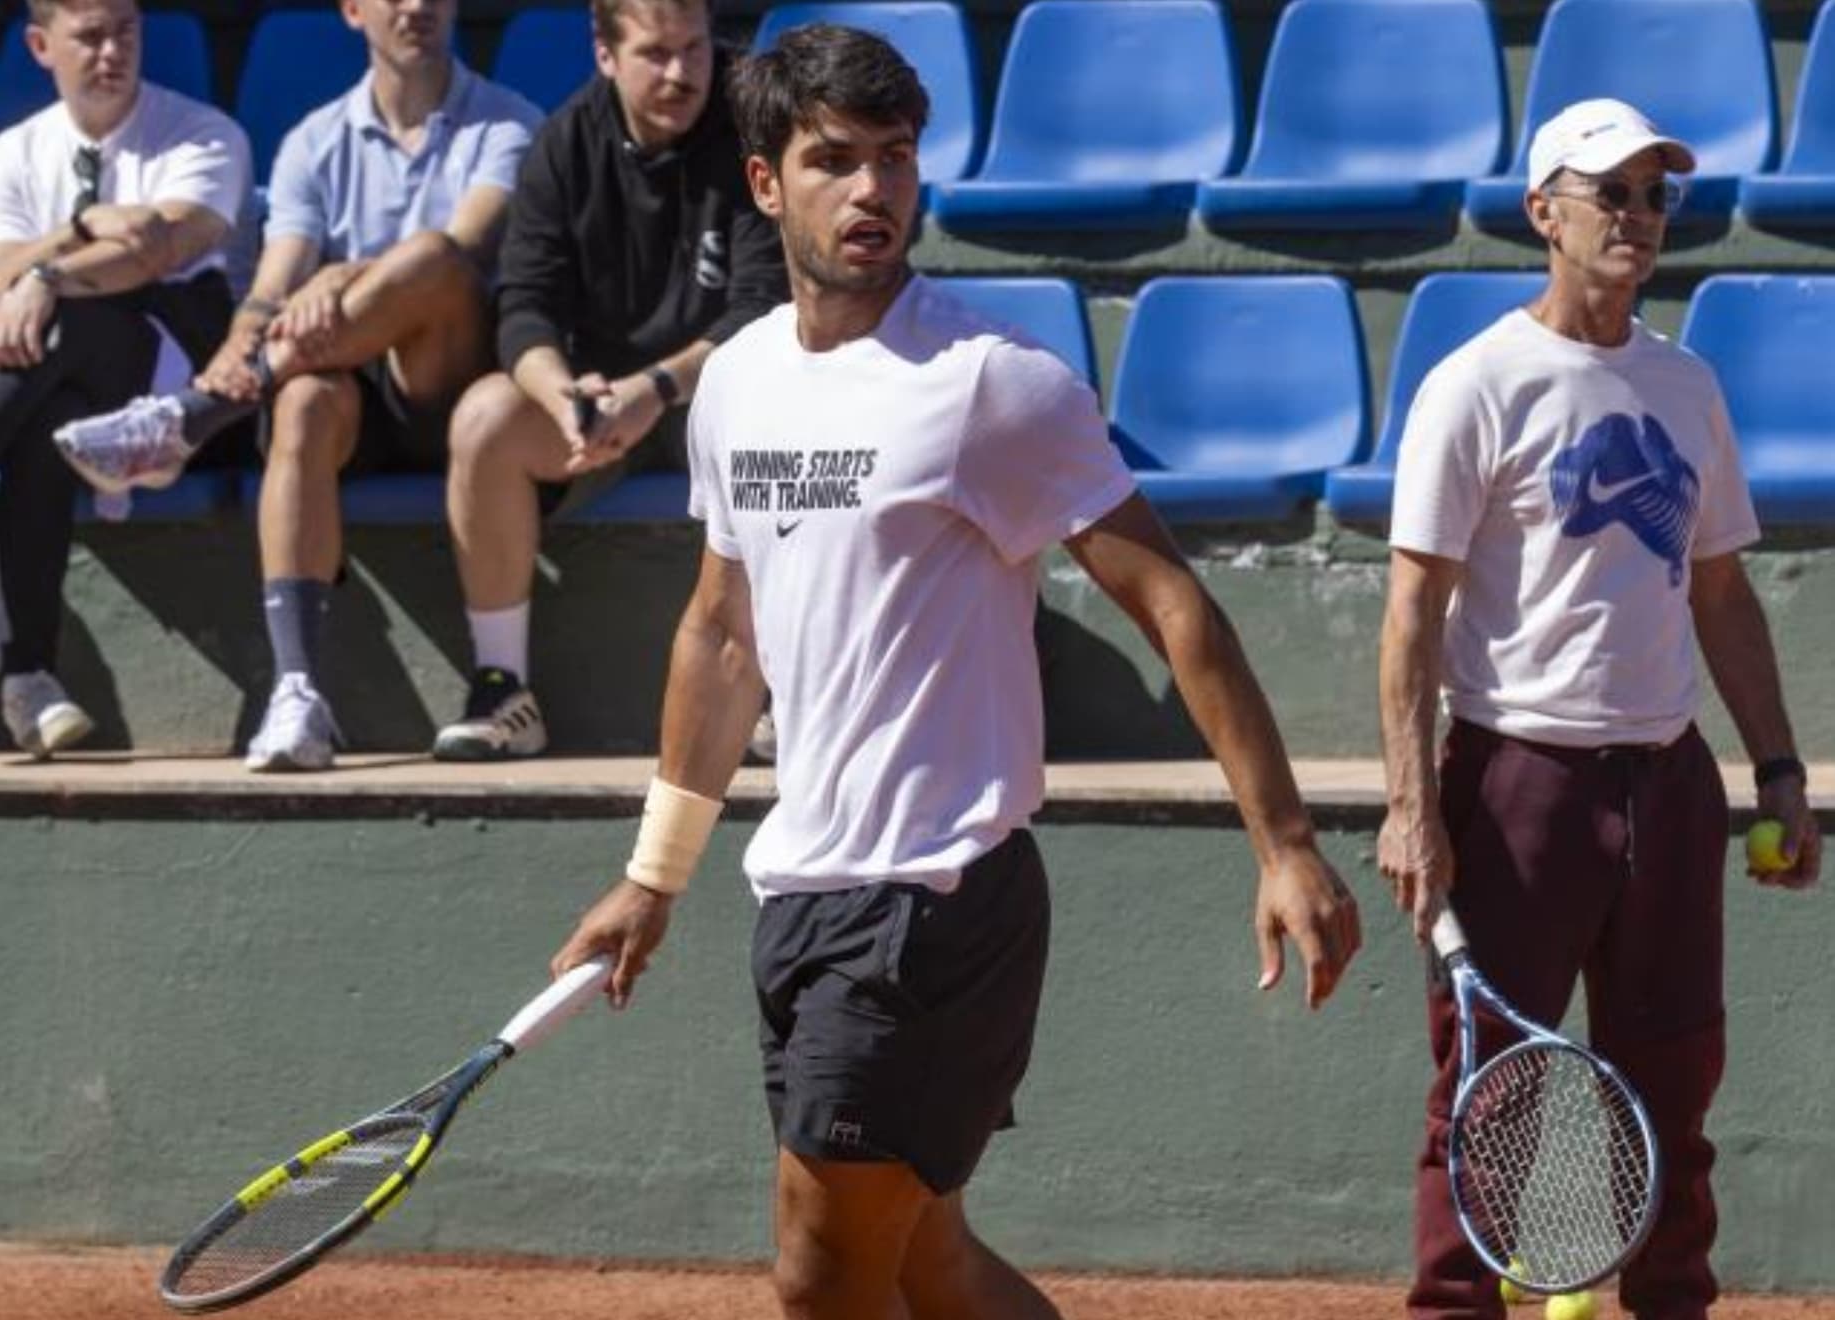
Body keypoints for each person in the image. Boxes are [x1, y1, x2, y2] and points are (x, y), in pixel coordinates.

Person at [548, 27, 1361, 1320]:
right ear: (766, 184)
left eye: (896, 159)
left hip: (936, 902)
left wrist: (1286, 842)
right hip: (803, 897)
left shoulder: (991, 386)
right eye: (833, 161)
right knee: (928, 1261)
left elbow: (1172, 605)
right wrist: (654, 877)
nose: (873, 191)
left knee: (819, 1279)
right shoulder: (737, 386)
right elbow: (720, 635)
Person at [1375, 98, 1822, 1320]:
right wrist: (1414, 808)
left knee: (1675, 1081)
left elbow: (1720, 589)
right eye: (1607, 191)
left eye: (1652, 193)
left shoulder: (1686, 385)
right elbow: (1412, 616)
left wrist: (1776, 770)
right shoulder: (1477, 386)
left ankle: (1668, 1300)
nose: (1634, 215)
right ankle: (1458, 1303)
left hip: (1668, 784)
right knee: (1488, 1091)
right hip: (1519, 785)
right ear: (1544, 214)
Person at [52, 0, 541, 772]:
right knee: (304, 404)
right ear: (353, 10)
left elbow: (468, 246)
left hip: (456, 385)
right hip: (341, 380)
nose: (417, 7)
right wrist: (243, 341)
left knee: (430, 259)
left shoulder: (510, 122)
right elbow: (276, 282)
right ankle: (299, 692)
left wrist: (344, 273)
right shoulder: (314, 141)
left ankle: (191, 419)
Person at [0, 0, 247, 757]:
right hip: (63, 387)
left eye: (125, 33)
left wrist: (45, 277)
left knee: (63, 321)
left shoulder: (201, 132)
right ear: (41, 46)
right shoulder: (14, 153)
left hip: (179, 382)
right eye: (89, 37)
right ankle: (28, 681)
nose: (111, 53)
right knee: (44, 401)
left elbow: (156, 248)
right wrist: (71, 239)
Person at [435, 0, 785, 760]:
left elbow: (764, 311)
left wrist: (654, 388)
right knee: (485, 417)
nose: (682, 73)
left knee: (795, 400)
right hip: (607, 408)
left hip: (730, 397)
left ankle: (788, 693)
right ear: (605, 53)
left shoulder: (753, 120)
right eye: (656, 54)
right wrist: (562, 397)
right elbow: (524, 308)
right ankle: (503, 692)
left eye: (695, 49)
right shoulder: (564, 142)